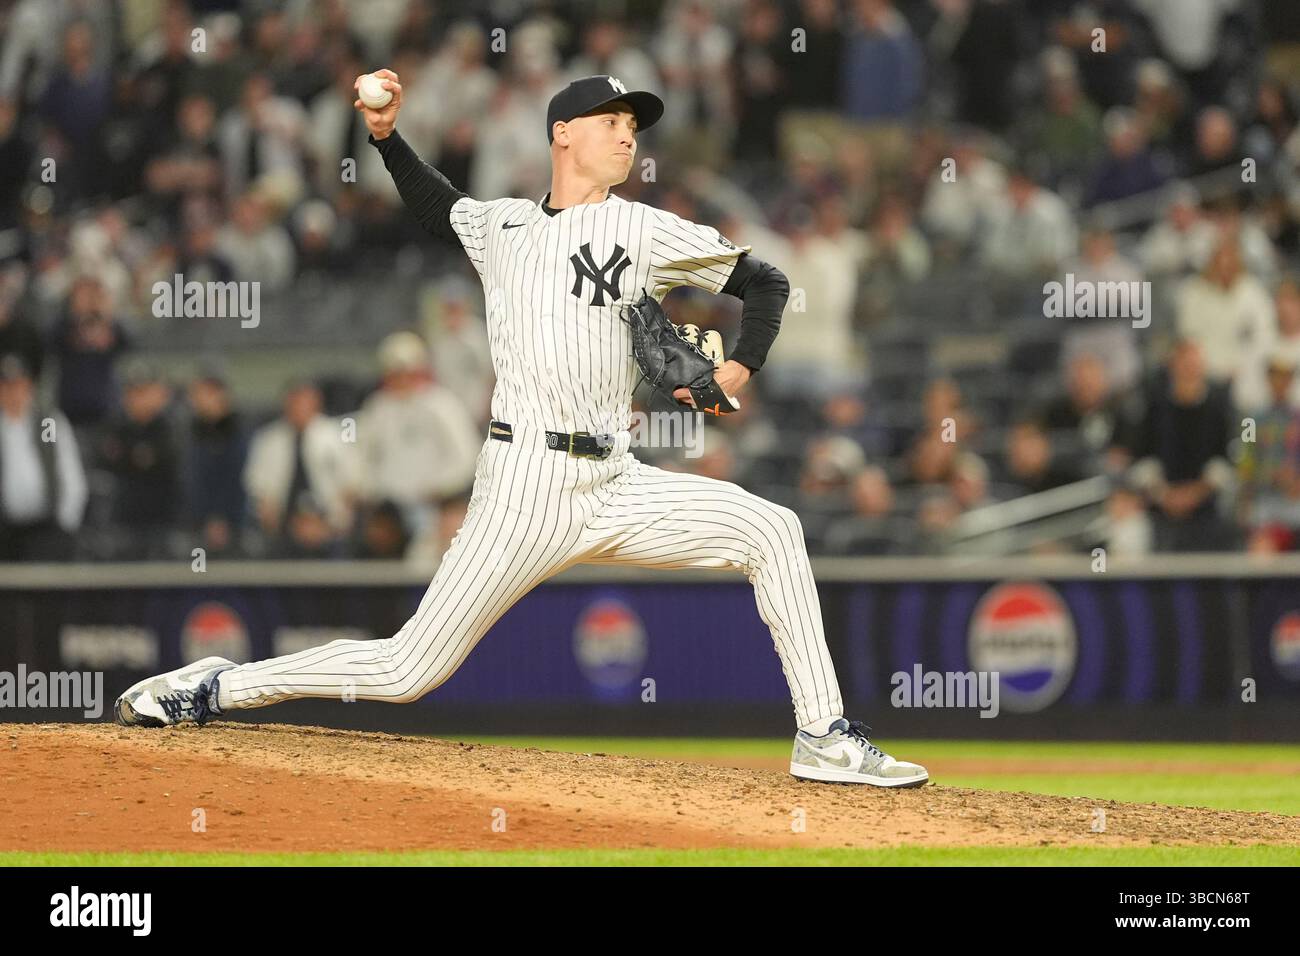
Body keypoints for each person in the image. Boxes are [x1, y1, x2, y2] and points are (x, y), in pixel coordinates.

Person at [115, 71, 928, 788]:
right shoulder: (501, 226)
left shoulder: (643, 228)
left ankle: (823, 735)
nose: (626, 132)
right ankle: (217, 687)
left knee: (774, 529)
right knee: (407, 670)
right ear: (561, 133)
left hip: (617, 480)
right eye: (610, 118)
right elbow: (437, 204)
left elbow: (767, 280)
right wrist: (386, 136)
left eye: (633, 123)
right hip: (523, 489)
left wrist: (738, 368)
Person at [0, 353, 86, 560]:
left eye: (18, 384)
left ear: (29, 386)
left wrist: (66, 521)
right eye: (6, 385)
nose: (13, 392)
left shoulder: (48, 424)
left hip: (47, 528)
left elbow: (68, 469)